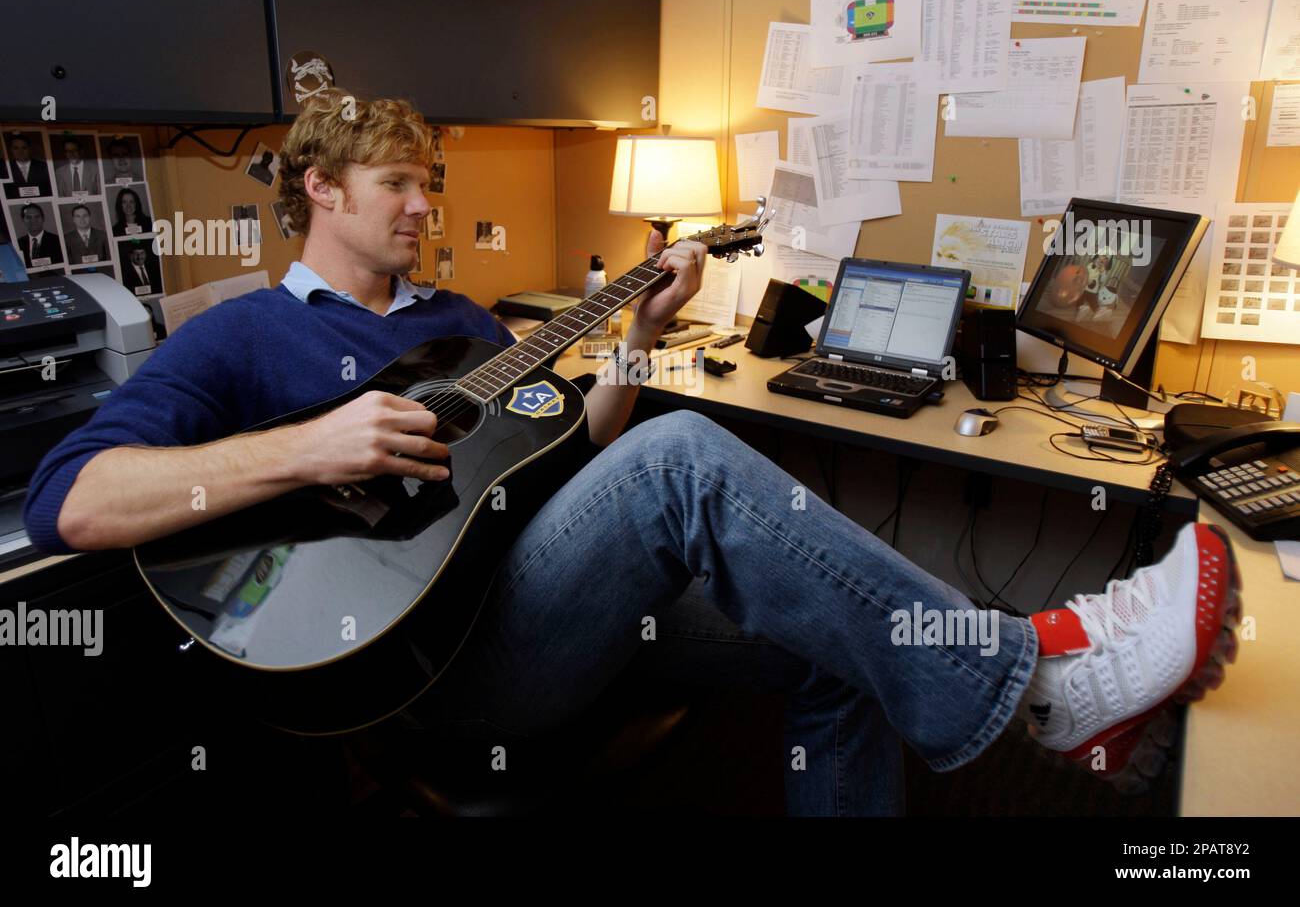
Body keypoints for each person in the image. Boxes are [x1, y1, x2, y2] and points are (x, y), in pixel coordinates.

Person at [22, 91, 1241, 816]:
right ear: (318, 192)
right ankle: (1035, 681)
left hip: (537, 596)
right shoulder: (243, 335)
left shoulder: (461, 326)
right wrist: (306, 446)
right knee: (686, 461)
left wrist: (636, 346)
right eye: (397, 183)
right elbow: (70, 501)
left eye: (432, 187)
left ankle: (983, 687)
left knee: (836, 639)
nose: (423, 208)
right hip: (425, 666)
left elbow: (562, 464)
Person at [4, 133, 52, 200]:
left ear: (30, 148)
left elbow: (49, 191)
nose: (20, 151)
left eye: (24, 148)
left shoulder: (44, 166)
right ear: (11, 150)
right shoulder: (4, 169)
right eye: (16, 148)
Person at [16, 203, 63, 268]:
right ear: (23, 220)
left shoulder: (57, 241)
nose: (33, 220)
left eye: (37, 216)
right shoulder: (17, 243)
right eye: (28, 217)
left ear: (43, 218)